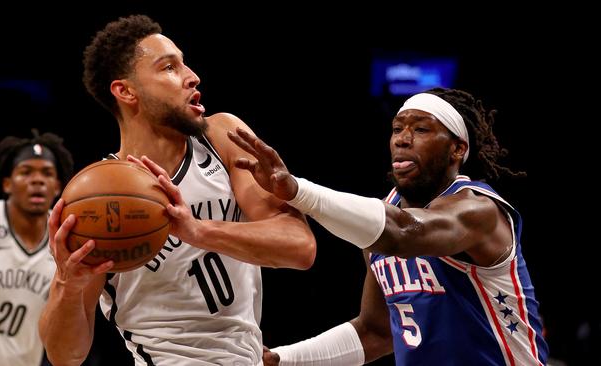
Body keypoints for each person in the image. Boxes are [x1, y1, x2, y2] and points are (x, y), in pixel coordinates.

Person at [38, 14, 316, 366]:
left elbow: (300, 247)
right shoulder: (97, 198)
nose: (192, 76)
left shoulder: (222, 137)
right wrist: (68, 283)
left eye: (184, 63)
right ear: (125, 91)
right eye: (169, 67)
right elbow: (66, 356)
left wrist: (198, 231)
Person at [229, 87, 549, 365]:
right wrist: (282, 359)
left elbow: (405, 232)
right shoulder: (381, 219)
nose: (403, 140)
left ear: (457, 149)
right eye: (397, 129)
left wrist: (299, 192)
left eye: (421, 130)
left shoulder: (478, 211)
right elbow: (376, 332)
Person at [0, 130, 74, 366]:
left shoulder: (64, 240)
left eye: (47, 173)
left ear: (57, 186)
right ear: (7, 184)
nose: (37, 180)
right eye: (26, 172)